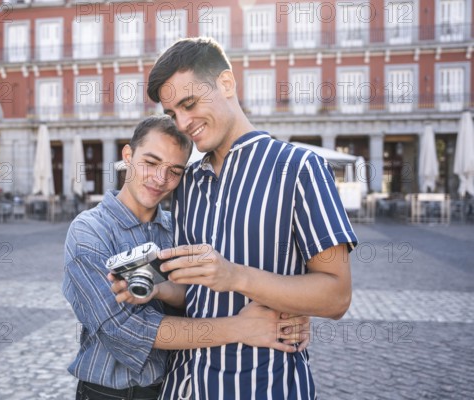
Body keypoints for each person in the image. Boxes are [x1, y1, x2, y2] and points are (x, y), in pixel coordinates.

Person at [140, 37, 359, 399]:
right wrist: (150, 286)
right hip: (182, 387)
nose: (183, 122)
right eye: (173, 114)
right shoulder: (186, 183)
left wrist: (235, 276)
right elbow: (194, 293)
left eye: (189, 104)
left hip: (262, 388)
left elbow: (337, 296)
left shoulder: (302, 168)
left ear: (226, 84)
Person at [62, 116, 309, 400]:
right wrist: (242, 328)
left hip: (177, 389)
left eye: (174, 170)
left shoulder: (180, 228)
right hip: (110, 394)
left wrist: (288, 313)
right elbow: (127, 331)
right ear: (128, 156)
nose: (160, 179)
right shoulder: (89, 231)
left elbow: (199, 297)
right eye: (151, 163)